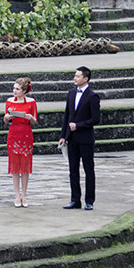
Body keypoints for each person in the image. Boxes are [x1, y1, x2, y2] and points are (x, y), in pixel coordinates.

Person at [59, 66, 101, 211]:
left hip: (85, 138)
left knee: (88, 170)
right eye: (75, 76)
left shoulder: (92, 96)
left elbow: (96, 119)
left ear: (85, 79)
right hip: (72, 138)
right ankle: (75, 199)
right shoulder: (71, 94)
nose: (75, 78)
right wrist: (63, 136)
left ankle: (89, 200)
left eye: (77, 76)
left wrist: (79, 125)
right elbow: (67, 116)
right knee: (73, 170)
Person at [4, 76, 38, 208]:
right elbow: (6, 120)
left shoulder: (31, 102)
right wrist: (7, 117)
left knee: (25, 165)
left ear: (24, 91)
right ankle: (16, 195)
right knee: (14, 165)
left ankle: (24, 194)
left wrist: (30, 117)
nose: (15, 91)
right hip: (13, 133)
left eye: (17, 89)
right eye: (14, 88)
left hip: (25, 133)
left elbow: (35, 120)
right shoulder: (9, 101)